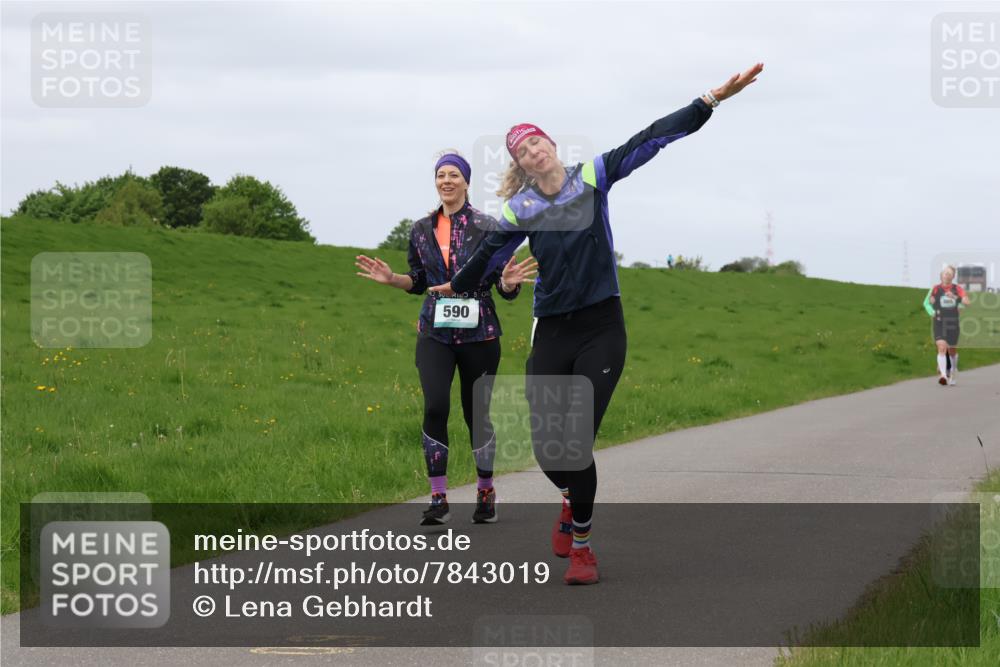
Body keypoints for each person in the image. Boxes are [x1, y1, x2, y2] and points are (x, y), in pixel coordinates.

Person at [430, 64, 764, 584]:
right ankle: (569, 498)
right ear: (519, 163)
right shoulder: (520, 209)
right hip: (553, 331)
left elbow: (652, 138)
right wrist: (461, 286)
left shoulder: (594, 176)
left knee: (575, 444)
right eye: (523, 150)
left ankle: (582, 545)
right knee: (546, 449)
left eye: (538, 143)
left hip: (602, 327)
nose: (533, 152)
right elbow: (489, 260)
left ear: (552, 146)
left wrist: (710, 100)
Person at [356, 152, 537, 525]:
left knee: (477, 415)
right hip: (434, 332)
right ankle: (438, 497)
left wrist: (507, 283)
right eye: (441, 175)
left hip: (480, 334)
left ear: (467, 182)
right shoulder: (421, 229)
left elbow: (506, 286)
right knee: (436, 406)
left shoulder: (489, 226)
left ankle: (485, 492)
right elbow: (418, 281)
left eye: (454, 174)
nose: (447, 181)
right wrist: (393, 280)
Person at [924, 265, 970, 386]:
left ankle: (953, 371)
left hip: (953, 322)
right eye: (945, 273)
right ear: (941, 275)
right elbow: (926, 303)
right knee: (941, 347)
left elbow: (966, 302)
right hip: (939, 321)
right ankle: (943, 375)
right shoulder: (935, 289)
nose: (947, 275)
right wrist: (932, 312)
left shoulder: (958, 289)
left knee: (952, 350)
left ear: (953, 277)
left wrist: (956, 299)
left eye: (949, 274)